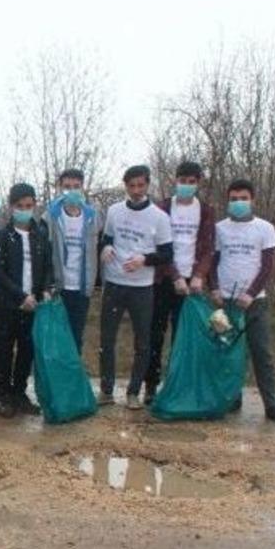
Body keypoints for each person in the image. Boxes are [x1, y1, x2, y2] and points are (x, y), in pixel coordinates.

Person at [209, 179, 275, 425]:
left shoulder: (264, 228)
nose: (238, 203)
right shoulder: (219, 228)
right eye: (233, 199)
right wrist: (213, 288)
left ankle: (272, 406)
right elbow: (212, 261)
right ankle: (231, 398)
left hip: (254, 302)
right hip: (225, 302)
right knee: (228, 352)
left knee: (261, 353)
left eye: (243, 198)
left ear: (252, 199)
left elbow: (267, 266)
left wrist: (252, 293)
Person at [99, 165, 173, 409]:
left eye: (141, 185)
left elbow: (167, 254)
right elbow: (107, 237)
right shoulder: (114, 211)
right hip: (114, 283)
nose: (136, 191)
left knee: (143, 342)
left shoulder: (160, 217)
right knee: (107, 340)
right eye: (131, 186)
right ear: (125, 186)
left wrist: (145, 259)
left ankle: (133, 392)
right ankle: (106, 390)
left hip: (142, 287)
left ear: (148, 185)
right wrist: (106, 248)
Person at [143, 161, 217, 403]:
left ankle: (176, 385)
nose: (186, 185)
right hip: (164, 280)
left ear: (198, 183)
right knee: (155, 334)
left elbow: (207, 248)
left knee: (182, 337)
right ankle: (151, 386)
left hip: (192, 283)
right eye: (182, 181)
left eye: (191, 182)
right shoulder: (163, 208)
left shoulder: (206, 211)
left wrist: (198, 275)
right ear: (176, 181)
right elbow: (159, 247)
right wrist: (174, 276)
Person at [0, 183, 54, 418]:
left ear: (35, 205)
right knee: (4, 351)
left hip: (34, 305)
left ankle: (19, 392)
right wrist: (20, 295)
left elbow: (47, 266)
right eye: (20, 206)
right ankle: (2, 393)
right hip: (9, 305)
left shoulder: (40, 235)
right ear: (11, 207)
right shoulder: (1, 236)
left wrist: (46, 288)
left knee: (26, 351)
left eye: (29, 205)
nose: (25, 210)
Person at [43, 168, 100, 355]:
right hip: (59, 287)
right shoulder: (50, 216)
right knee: (57, 336)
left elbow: (100, 246)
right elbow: (44, 252)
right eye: (67, 187)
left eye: (76, 186)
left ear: (83, 188)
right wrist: (48, 284)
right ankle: (56, 378)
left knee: (76, 337)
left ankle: (72, 377)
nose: (71, 191)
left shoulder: (93, 216)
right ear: (59, 188)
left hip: (82, 287)